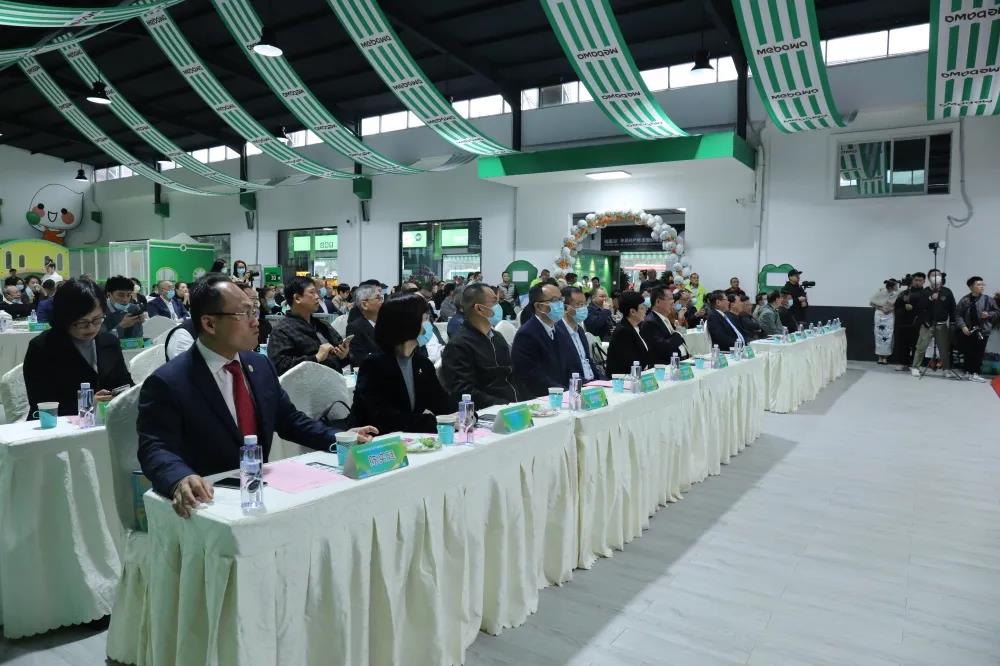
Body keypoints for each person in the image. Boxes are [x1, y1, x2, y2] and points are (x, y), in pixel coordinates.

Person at [137, 274, 377, 517]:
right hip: (208, 504)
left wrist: (339, 437)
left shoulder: (258, 365)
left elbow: (290, 421)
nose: (256, 322)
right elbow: (155, 448)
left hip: (260, 495)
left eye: (255, 311)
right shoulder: (169, 381)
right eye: (245, 314)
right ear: (210, 324)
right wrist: (179, 478)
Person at [23, 278, 133, 417]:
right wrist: (87, 404)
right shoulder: (42, 347)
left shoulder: (109, 341)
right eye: (82, 323)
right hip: (60, 425)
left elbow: (125, 383)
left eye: (97, 320)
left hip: (107, 421)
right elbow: (41, 404)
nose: (91, 328)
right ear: (64, 318)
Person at [350, 293, 456, 434]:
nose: (429, 325)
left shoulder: (422, 364)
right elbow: (384, 419)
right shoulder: (374, 365)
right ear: (408, 323)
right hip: (375, 440)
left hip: (410, 438)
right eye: (425, 319)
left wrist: (464, 414)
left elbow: (441, 402)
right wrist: (436, 422)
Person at [440, 283, 519, 408]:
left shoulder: (497, 337)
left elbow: (511, 375)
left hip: (512, 404)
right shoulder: (458, 345)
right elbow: (463, 391)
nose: (498, 306)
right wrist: (502, 405)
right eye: (494, 302)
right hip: (488, 410)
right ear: (479, 308)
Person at [267, 276, 350, 375]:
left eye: (317, 292)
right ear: (297, 298)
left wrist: (343, 355)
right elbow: (279, 367)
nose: (317, 296)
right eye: (312, 292)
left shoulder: (323, 325)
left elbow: (340, 357)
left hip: (334, 380)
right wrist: (316, 358)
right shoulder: (281, 331)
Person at [511, 283, 568, 398]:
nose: (560, 304)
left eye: (561, 299)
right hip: (540, 397)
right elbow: (532, 376)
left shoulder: (560, 330)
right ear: (538, 306)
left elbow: (567, 365)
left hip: (561, 392)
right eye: (554, 300)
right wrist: (564, 391)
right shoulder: (526, 334)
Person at [910, 269, 957, 378]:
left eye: (938, 275)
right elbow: (919, 307)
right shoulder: (925, 292)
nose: (936, 277)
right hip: (927, 324)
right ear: (929, 278)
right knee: (921, 346)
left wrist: (953, 322)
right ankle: (915, 367)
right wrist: (930, 298)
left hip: (942, 325)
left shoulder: (947, 291)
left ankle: (946, 369)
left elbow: (952, 308)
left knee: (944, 349)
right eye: (933, 275)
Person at [955, 276, 998, 382]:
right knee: (968, 352)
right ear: (971, 287)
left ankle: (975, 373)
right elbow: (958, 314)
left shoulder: (988, 299)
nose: (982, 286)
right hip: (968, 330)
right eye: (978, 284)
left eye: (983, 284)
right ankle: (967, 372)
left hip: (983, 330)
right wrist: (963, 326)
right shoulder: (965, 299)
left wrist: (988, 314)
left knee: (979, 352)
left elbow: (997, 312)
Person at [558, 286, 604, 382]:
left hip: (592, 381)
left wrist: (601, 381)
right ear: (565, 308)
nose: (583, 308)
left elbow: (588, 360)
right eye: (579, 305)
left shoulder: (580, 330)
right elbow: (565, 369)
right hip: (577, 384)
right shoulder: (558, 332)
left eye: (584, 304)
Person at [605, 291, 651, 375]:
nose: (646, 310)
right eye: (642, 308)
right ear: (632, 312)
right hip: (623, 379)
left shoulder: (637, 326)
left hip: (638, 374)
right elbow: (631, 363)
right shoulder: (623, 332)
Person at [639, 287, 689, 363]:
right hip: (666, 366)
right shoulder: (650, 322)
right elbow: (663, 347)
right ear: (658, 302)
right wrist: (678, 333)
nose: (673, 302)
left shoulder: (664, 318)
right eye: (670, 299)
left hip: (680, 361)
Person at [346, 283, 383, 367]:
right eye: (378, 298)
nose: (382, 301)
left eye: (382, 298)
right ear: (364, 304)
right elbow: (359, 360)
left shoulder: (386, 323)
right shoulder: (355, 327)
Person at [892, 273, 924, 370]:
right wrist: (904, 307)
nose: (917, 282)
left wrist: (915, 309)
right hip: (904, 323)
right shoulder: (904, 293)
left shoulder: (925, 294)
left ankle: (915, 365)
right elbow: (897, 307)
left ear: (924, 281)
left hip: (918, 323)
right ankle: (903, 363)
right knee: (903, 344)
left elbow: (926, 308)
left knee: (917, 345)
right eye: (916, 280)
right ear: (912, 281)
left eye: (920, 280)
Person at [869, 279, 899, 364]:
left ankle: (885, 357)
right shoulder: (881, 292)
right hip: (879, 314)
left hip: (889, 315)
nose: (897, 287)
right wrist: (881, 308)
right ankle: (879, 356)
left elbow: (898, 304)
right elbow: (872, 303)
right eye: (895, 285)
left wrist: (891, 309)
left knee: (888, 334)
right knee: (879, 334)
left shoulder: (898, 293)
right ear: (891, 286)